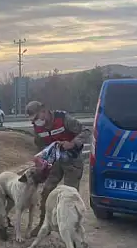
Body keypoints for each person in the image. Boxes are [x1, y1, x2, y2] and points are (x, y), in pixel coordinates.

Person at [25, 100, 90, 236]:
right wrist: (41, 160)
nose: (36, 122)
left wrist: (72, 143)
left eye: (37, 118)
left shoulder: (63, 119)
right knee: (47, 192)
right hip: (55, 161)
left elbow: (86, 131)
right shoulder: (38, 128)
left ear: (44, 111)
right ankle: (44, 225)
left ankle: (73, 231)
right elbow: (41, 146)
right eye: (33, 120)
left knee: (69, 197)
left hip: (72, 160)